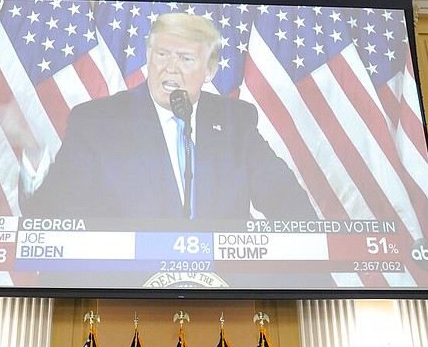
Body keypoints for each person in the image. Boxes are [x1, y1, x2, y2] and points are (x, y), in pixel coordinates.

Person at [21, 12, 316, 222]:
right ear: (149, 58)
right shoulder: (98, 121)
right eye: (162, 54)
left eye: (186, 59)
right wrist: (35, 160)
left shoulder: (235, 121)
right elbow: (51, 215)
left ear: (209, 71)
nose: (170, 68)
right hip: (126, 293)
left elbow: (286, 199)